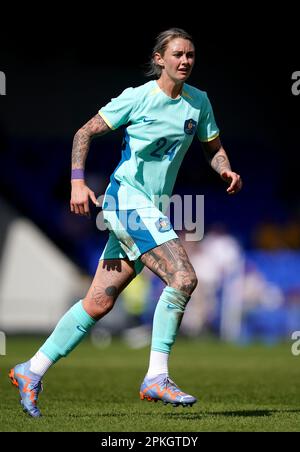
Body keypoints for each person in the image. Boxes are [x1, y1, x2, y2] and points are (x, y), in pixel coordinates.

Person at [9, 28, 242, 417]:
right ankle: (156, 376)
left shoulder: (199, 103)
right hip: (126, 202)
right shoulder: (137, 98)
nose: (185, 61)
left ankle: (31, 369)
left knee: (98, 302)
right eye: (178, 54)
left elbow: (212, 146)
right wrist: (78, 183)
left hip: (152, 209)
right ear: (159, 59)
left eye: (191, 55)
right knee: (183, 278)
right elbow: (84, 133)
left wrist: (226, 170)